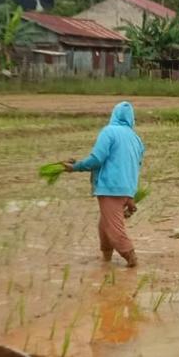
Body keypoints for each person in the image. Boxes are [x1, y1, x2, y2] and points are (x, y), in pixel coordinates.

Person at [59, 100, 145, 267]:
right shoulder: (136, 139)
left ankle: (131, 258)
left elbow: (97, 159)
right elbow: (135, 166)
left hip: (111, 188)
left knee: (114, 228)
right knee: (104, 226)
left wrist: (76, 167)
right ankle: (106, 259)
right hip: (126, 188)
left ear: (114, 115)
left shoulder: (109, 132)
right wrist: (130, 196)